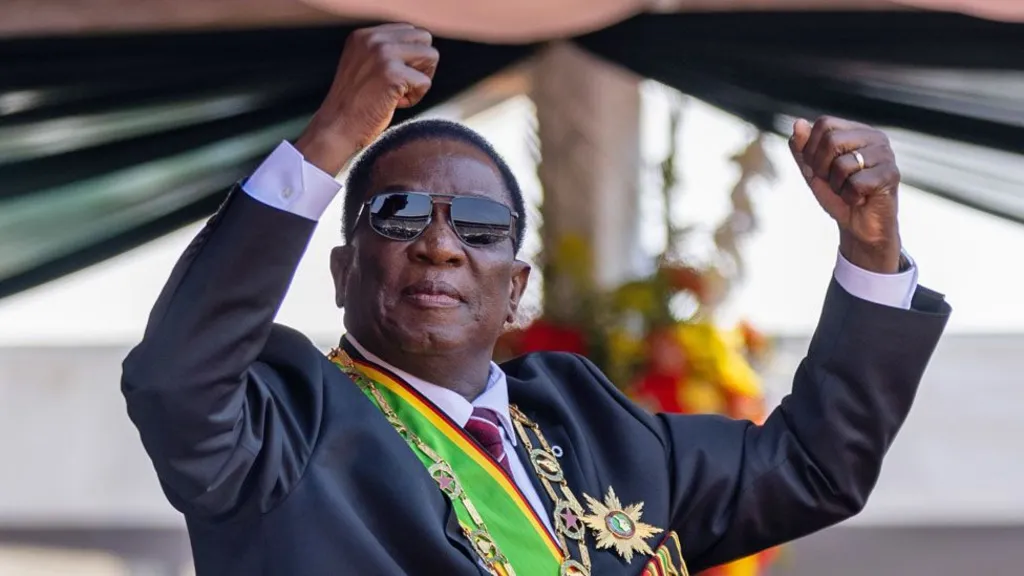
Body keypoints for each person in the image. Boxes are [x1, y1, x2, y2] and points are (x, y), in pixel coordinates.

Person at [121, 23, 950, 576]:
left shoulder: (591, 424)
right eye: (400, 213)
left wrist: (870, 248)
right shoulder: (281, 427)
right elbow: (174, 379)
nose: (441, 243)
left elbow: (814, 468)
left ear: (516, 288)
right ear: (343, 272)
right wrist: (333, 134)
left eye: (480, 226)